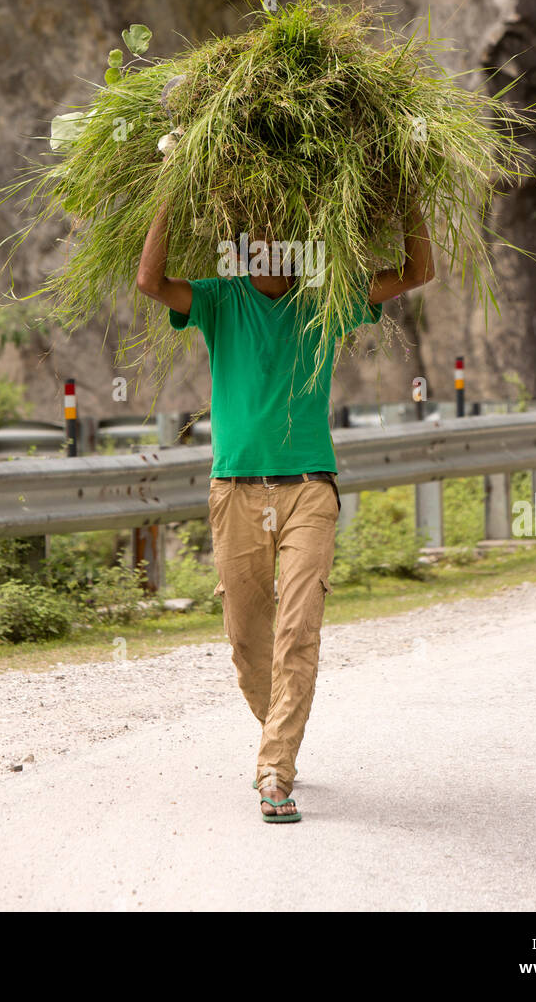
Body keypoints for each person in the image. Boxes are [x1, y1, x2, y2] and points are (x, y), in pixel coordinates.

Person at [137, 203, 434, 822]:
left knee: (298, 629)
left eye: (286, 234)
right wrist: (168, 196)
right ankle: (282, 731)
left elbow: (417, 271)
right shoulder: (219, 300)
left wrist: (413, 190)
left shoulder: (328, 298)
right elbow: (150, 283)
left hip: (307, 490)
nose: (272, 245)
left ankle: (276, 769)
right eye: (260, 235)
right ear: (242, 247)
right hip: (236, 490)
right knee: (248, 642)